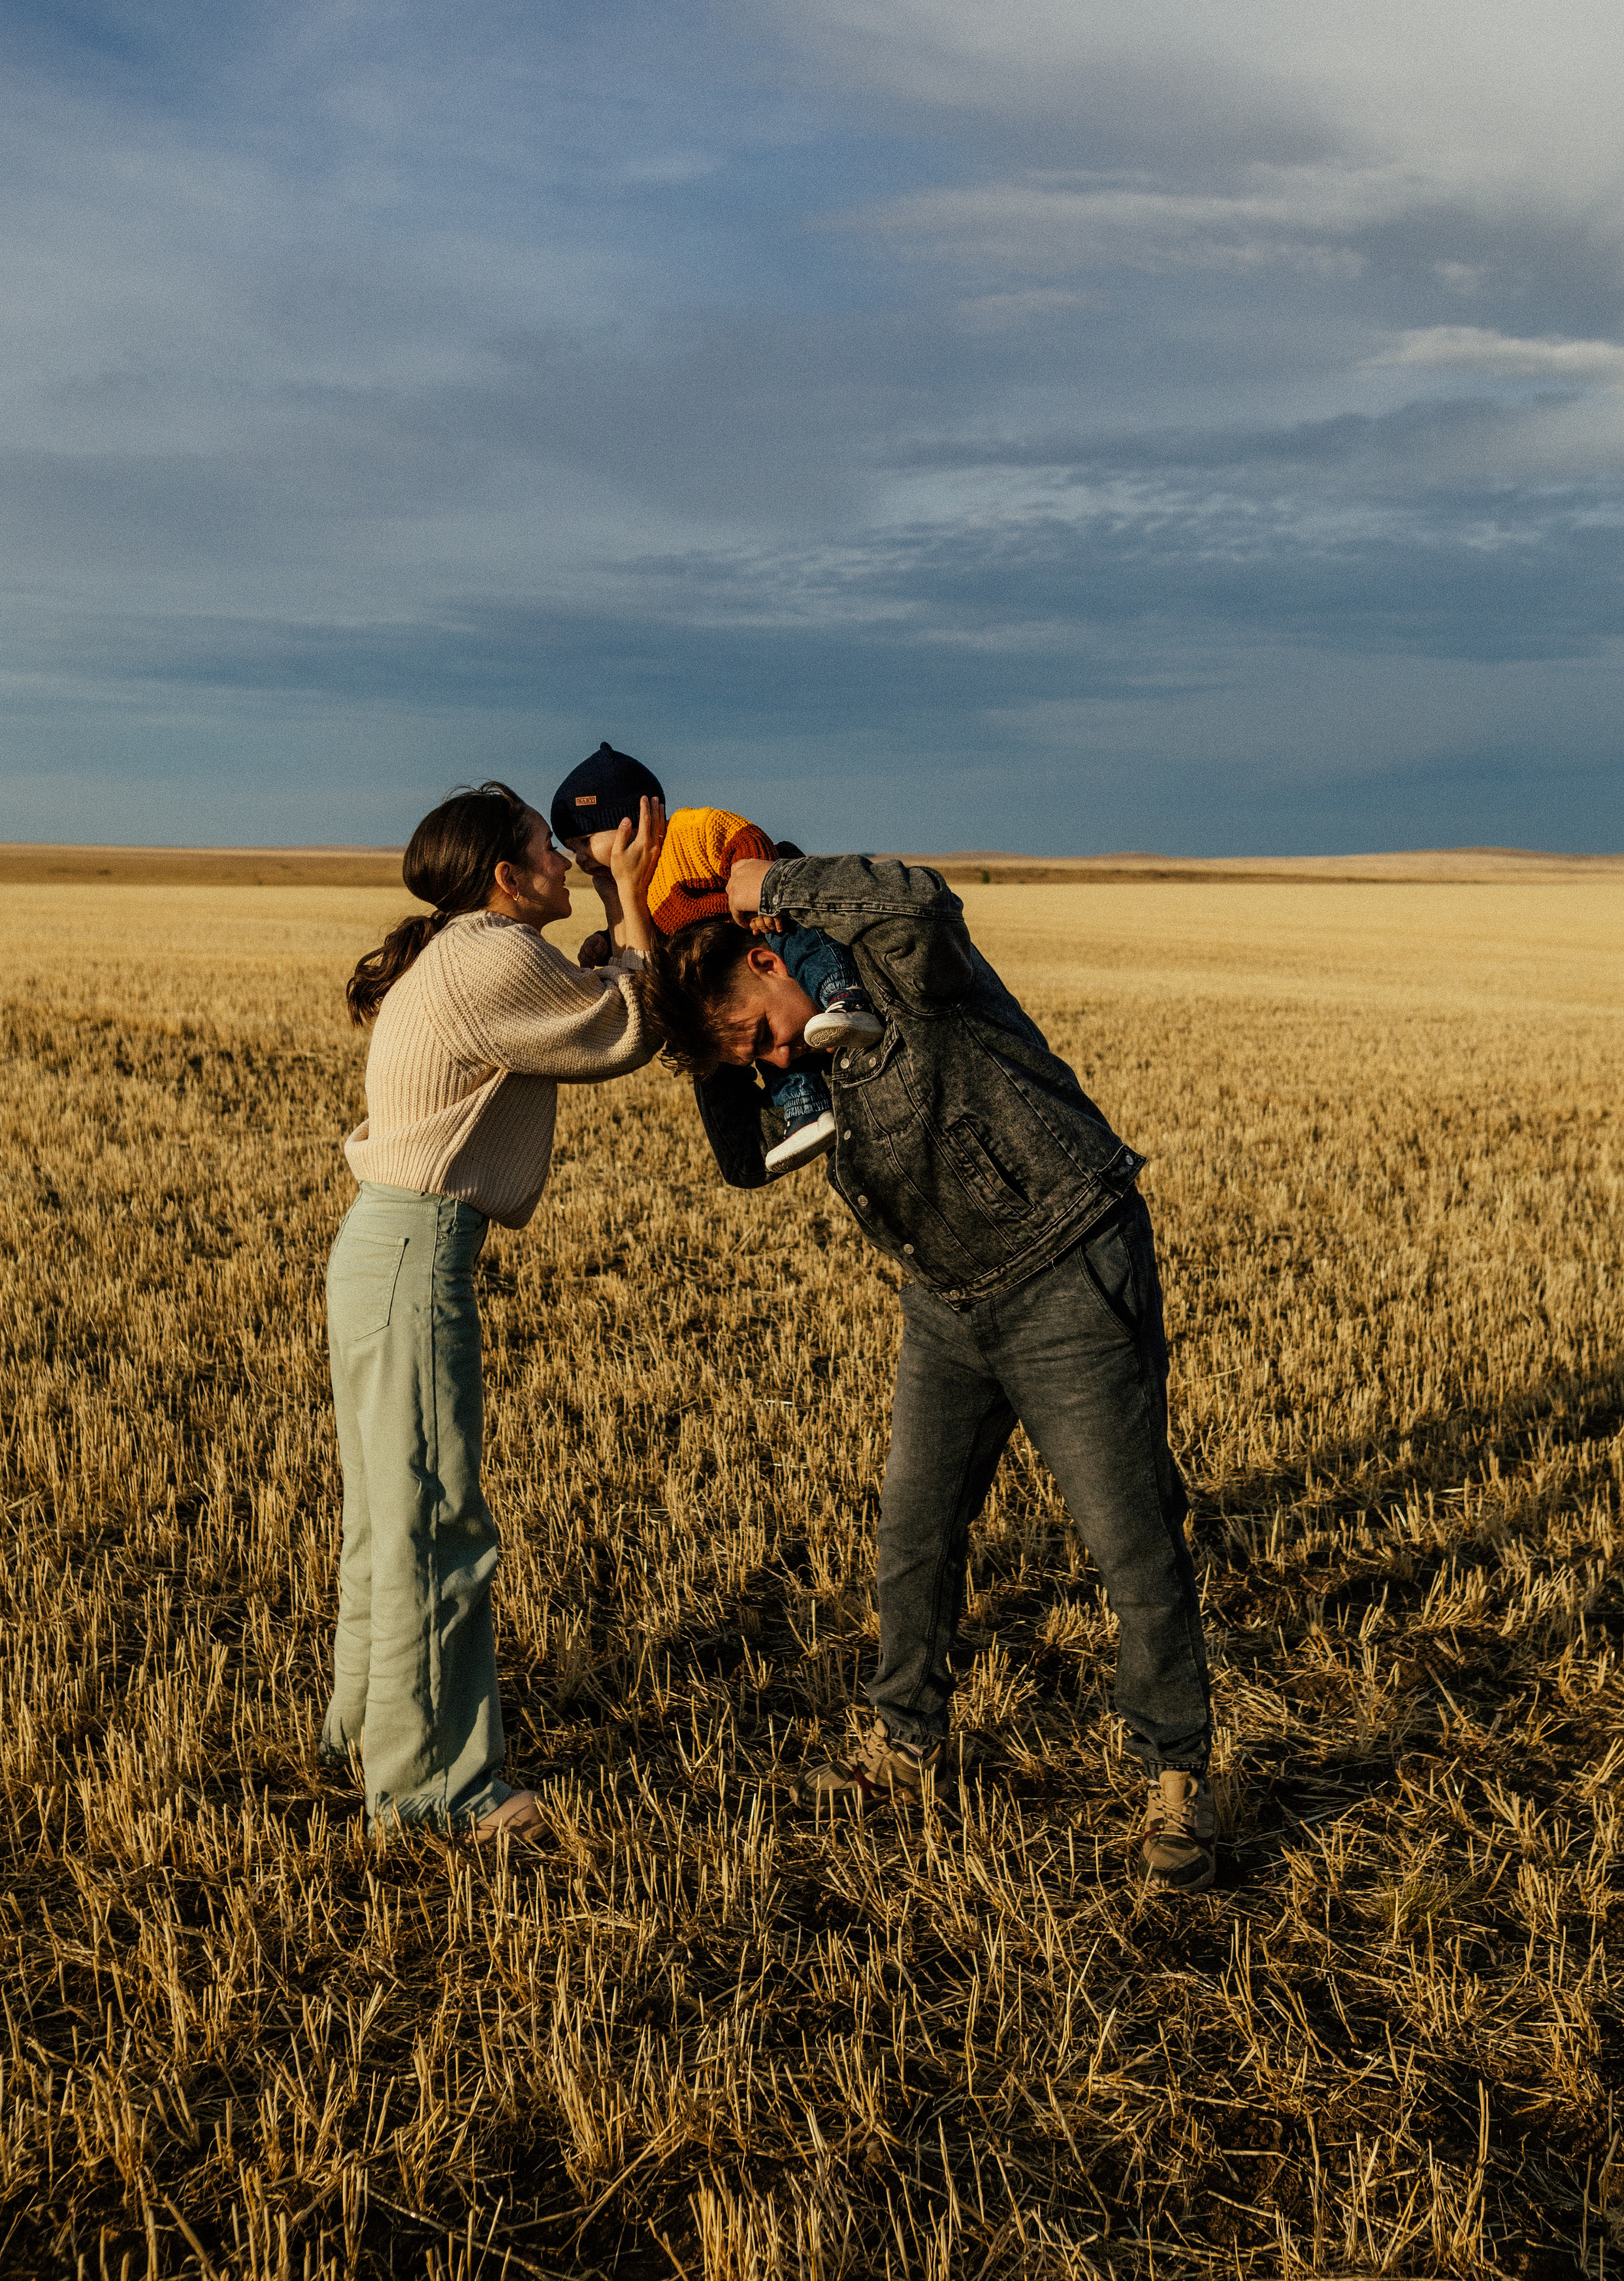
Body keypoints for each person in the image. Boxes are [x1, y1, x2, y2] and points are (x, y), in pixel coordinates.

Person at [649, 854, 1218, 1888]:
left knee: (1130, 1540)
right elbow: (745, 1163)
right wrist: (674, 971)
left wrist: (763, 880)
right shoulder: (792, 1054)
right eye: (752, 1056)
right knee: (913, 1536)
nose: (773, 1059)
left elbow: (918, 894)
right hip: (947, 1303)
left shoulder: (901, 969)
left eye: (763, 1032)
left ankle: (1177, 1781)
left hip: (1067, 1271)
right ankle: (904, 1745)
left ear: (774, 957)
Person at [327, 778, 664, 1843]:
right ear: (506, 880)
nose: (565, 859)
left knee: (392, 1519)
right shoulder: (493, 956)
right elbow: (623, 1026)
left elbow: (593, 993)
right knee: (434, 1525)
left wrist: (618, 905)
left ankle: (367, 1736)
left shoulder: (467, 950)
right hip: (416, 1255)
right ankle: (435, 1792)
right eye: (547, 851)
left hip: (383, 1249)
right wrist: (635, 890)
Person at [549, 741, 877, 1176]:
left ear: (633, 821)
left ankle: (844, 999)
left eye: (585, 841)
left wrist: (756, 884)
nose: (579, 858)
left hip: (764, 931)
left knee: (803, 953)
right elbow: (640, 953)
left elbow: (743, 839)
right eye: (571, 847)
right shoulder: (633, 884)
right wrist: (606, 931)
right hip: (726, 978)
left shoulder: (689, 832)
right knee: (771, 1057)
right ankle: (805, 1111)